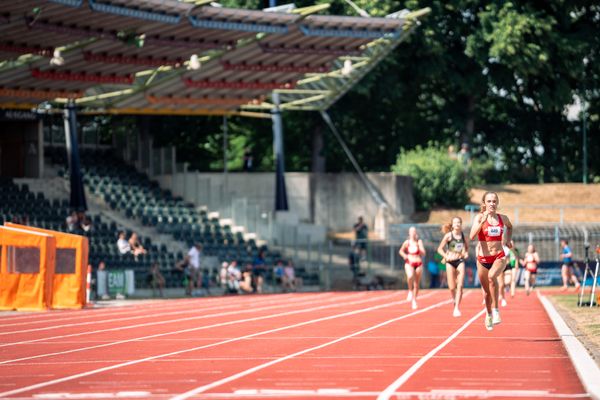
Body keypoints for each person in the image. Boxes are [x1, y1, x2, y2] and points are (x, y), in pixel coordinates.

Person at [469, 191, 513, 331]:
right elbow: (471, 236)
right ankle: (488, 314)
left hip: (499, 256)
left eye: (494, 201)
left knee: (491, 277)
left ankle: (496, 310)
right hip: (482, 259)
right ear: (484, 203)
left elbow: (510, 227)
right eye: (489, 201)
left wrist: (507, 240)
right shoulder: (479, 217)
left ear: (497, 203)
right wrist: (481, 222)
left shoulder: (503, 218)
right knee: (486, 293)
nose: (492, 204)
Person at [437, 216, 469, 317]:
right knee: (451, 287)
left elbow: (466, 249)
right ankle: (454, 299)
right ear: (452, 225)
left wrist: (466, 253)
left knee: (460, 285)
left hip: (460, 261)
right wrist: (446, 256)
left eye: (459, 222)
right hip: (450, 262)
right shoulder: (448, 236)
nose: (457, 224)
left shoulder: (463, 236)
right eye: (455, 223)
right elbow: (439, 249)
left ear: (461, 224)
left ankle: (456, 308)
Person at [399, 226, 426, 310]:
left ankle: (414, 300)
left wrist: (419, 247)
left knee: (417, 284)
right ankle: (410, 290)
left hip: (418, 262)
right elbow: (401, 251)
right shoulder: (407, 242)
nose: (413, 233)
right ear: (409, 233)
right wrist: (404, 256)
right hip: (409, 262)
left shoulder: (419, 241)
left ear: (416, 233)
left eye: (414, 231)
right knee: (410, 276)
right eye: (411, 232)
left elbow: (423, 253)